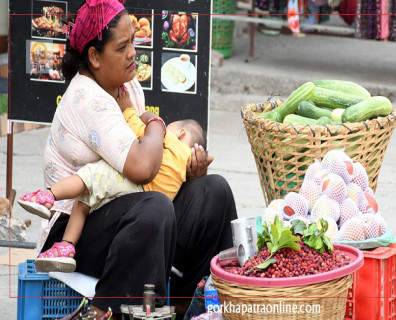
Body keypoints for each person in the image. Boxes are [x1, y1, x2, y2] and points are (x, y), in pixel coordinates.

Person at [36, 1, 237, 319]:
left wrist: (185, 170)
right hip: (76, 230)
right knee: (154, 208)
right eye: (122, 46)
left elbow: (149, 161)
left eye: (133, 41)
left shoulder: (125, 84)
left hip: (125, 212)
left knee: (214, 192)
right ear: (94, 57)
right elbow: (143, 166)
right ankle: (106, 311)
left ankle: (191, 307)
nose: (133, 52)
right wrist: (155, 123)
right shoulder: (87, 98)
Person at [19, 113, 205, 273]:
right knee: (85, 200)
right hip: (140, 200)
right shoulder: (185, 168)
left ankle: (49, 196)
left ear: (181, 133)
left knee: (89, 178)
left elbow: (138, 128)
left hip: (133, 184)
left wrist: (140, 115)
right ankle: (65, 247)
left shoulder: (170, 142)